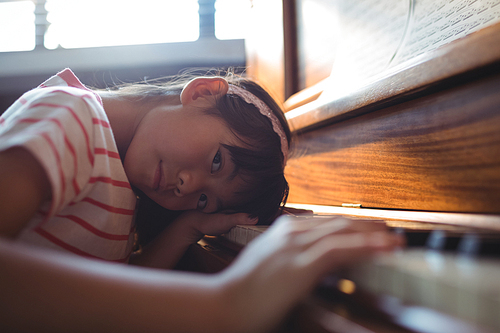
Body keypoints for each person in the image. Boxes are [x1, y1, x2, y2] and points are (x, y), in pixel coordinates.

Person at [0, 68, 403, 332]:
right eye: (216, 160)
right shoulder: (70, 116)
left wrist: (186, 228)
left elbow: (116, 291)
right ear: (202, 93)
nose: (187, 188)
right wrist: (223, 303)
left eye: (205, 201)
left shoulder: (117, 178)